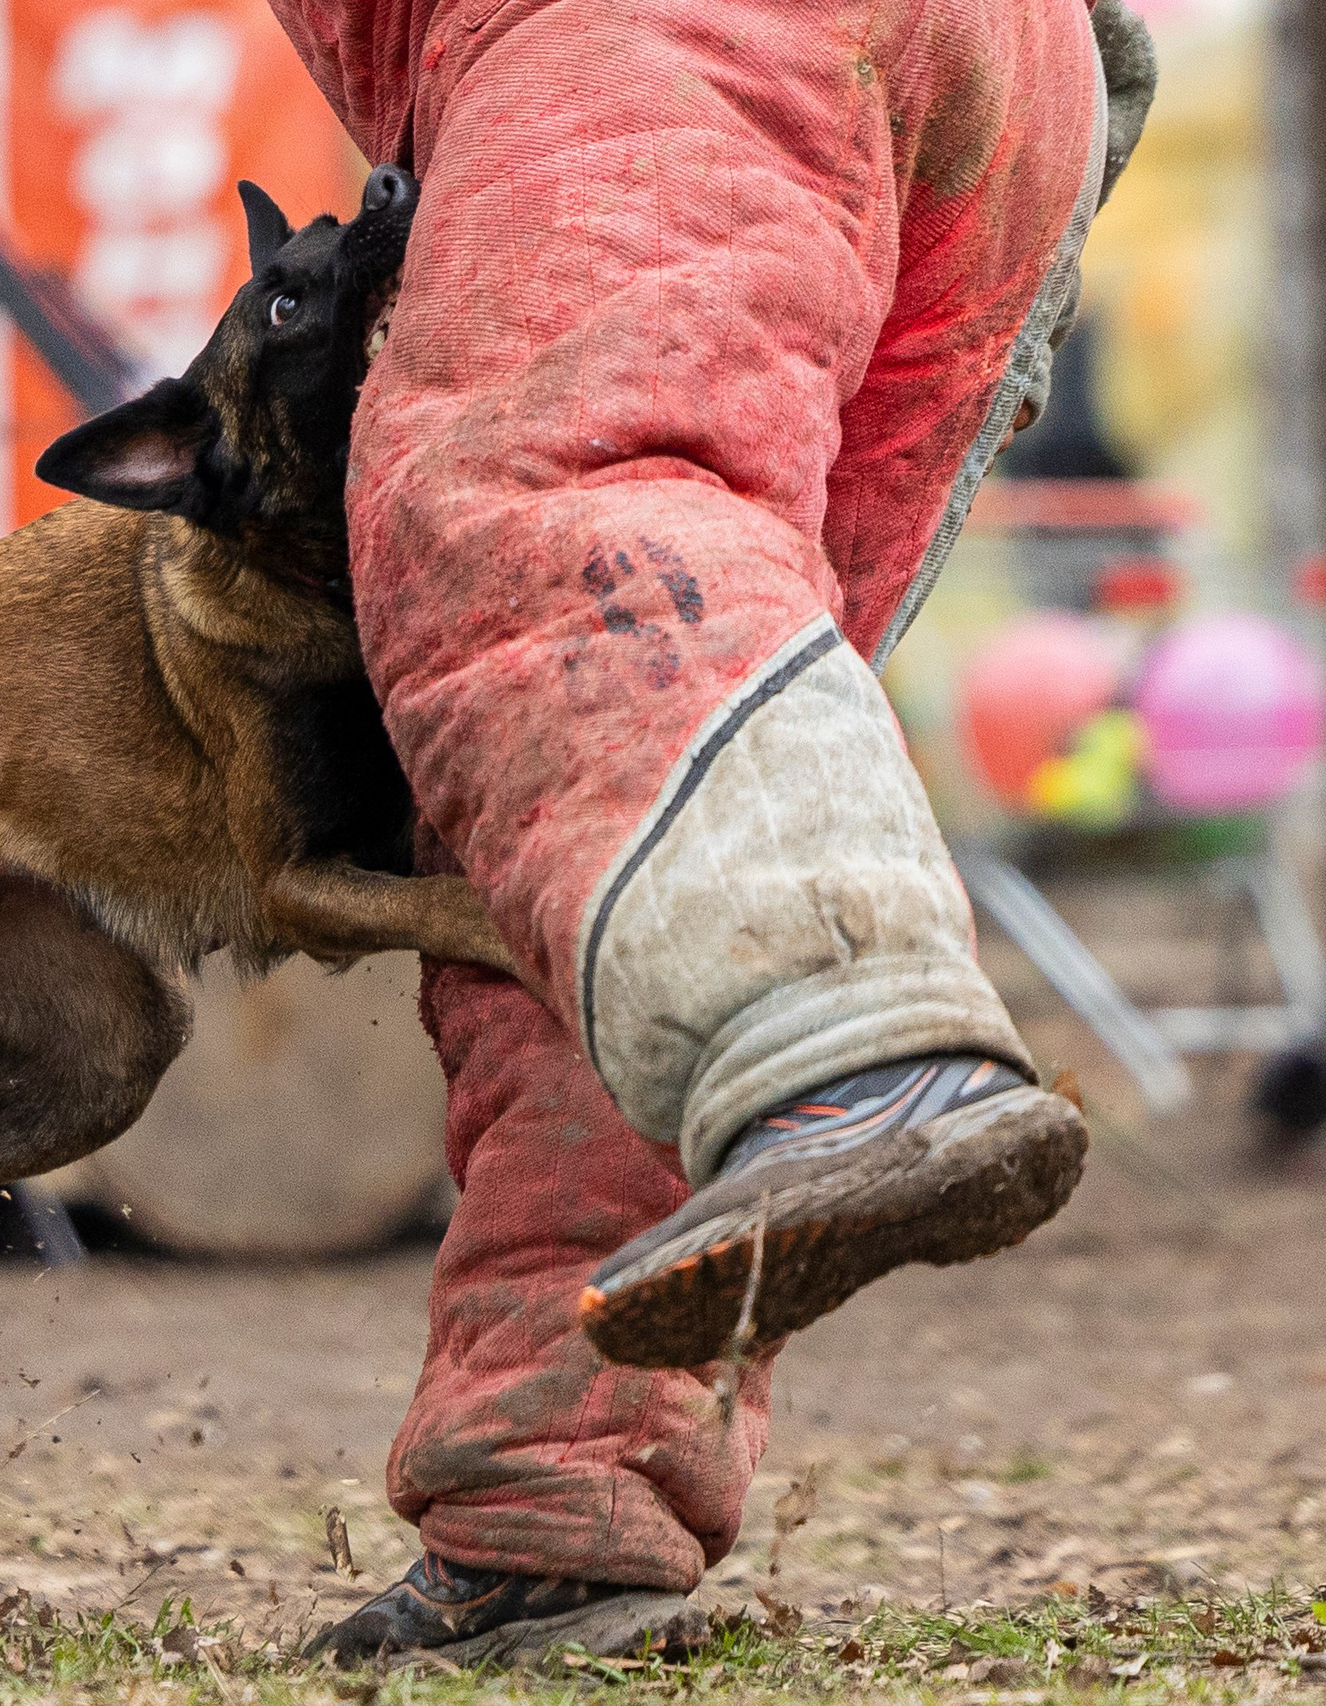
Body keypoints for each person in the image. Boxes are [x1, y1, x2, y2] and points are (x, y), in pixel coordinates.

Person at [268, 0, 1157, 1661]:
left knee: (546, 506)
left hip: (679, 36)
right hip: (999, 73)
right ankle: (555, 1488)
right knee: (602, 800)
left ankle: (854, 1055)